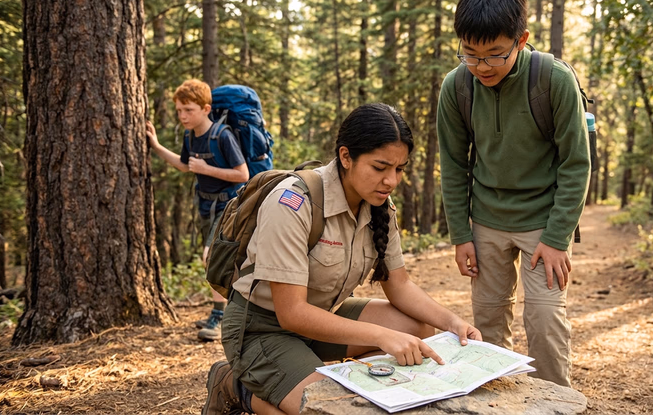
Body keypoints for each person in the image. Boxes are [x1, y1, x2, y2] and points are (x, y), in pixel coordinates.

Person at [201, 103, 482, 415]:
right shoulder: (293, 203)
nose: (391, 181)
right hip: (261, 330)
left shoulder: (378, 206)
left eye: (399, 169)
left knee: (416, 327)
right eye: (380, 167)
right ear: (346, 157)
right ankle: (234, 388)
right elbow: (292, 313)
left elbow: (400, 285)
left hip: (322, 317)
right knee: (331, 410)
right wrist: (382, 336)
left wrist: (452, 322)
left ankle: (334, 381)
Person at [436, 0, 591, 388]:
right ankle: (495, 398)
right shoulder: (457, 87)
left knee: (543, 317)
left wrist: (557, 238)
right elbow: (453, 166)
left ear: (521, 40)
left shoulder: (553, 80)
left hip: (543, 221)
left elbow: (576, 164)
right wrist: (461, 235)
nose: (482, 66)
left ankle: (557, 402)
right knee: (487, 319)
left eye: (495, 55)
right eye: (470, 54)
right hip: (486, 221)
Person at [146, 79, 249, 342]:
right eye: (179, 110)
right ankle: (224, 312)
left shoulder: (222, 135)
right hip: (205, 205)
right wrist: (156, 146)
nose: (182, 116)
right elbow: (184, 165)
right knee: (218, 262)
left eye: (188, 110)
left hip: (228, 205)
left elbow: (242, 174)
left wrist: (207, 170)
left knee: (211, 257)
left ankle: (221, 317)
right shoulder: (189, 135)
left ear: (205, 108)